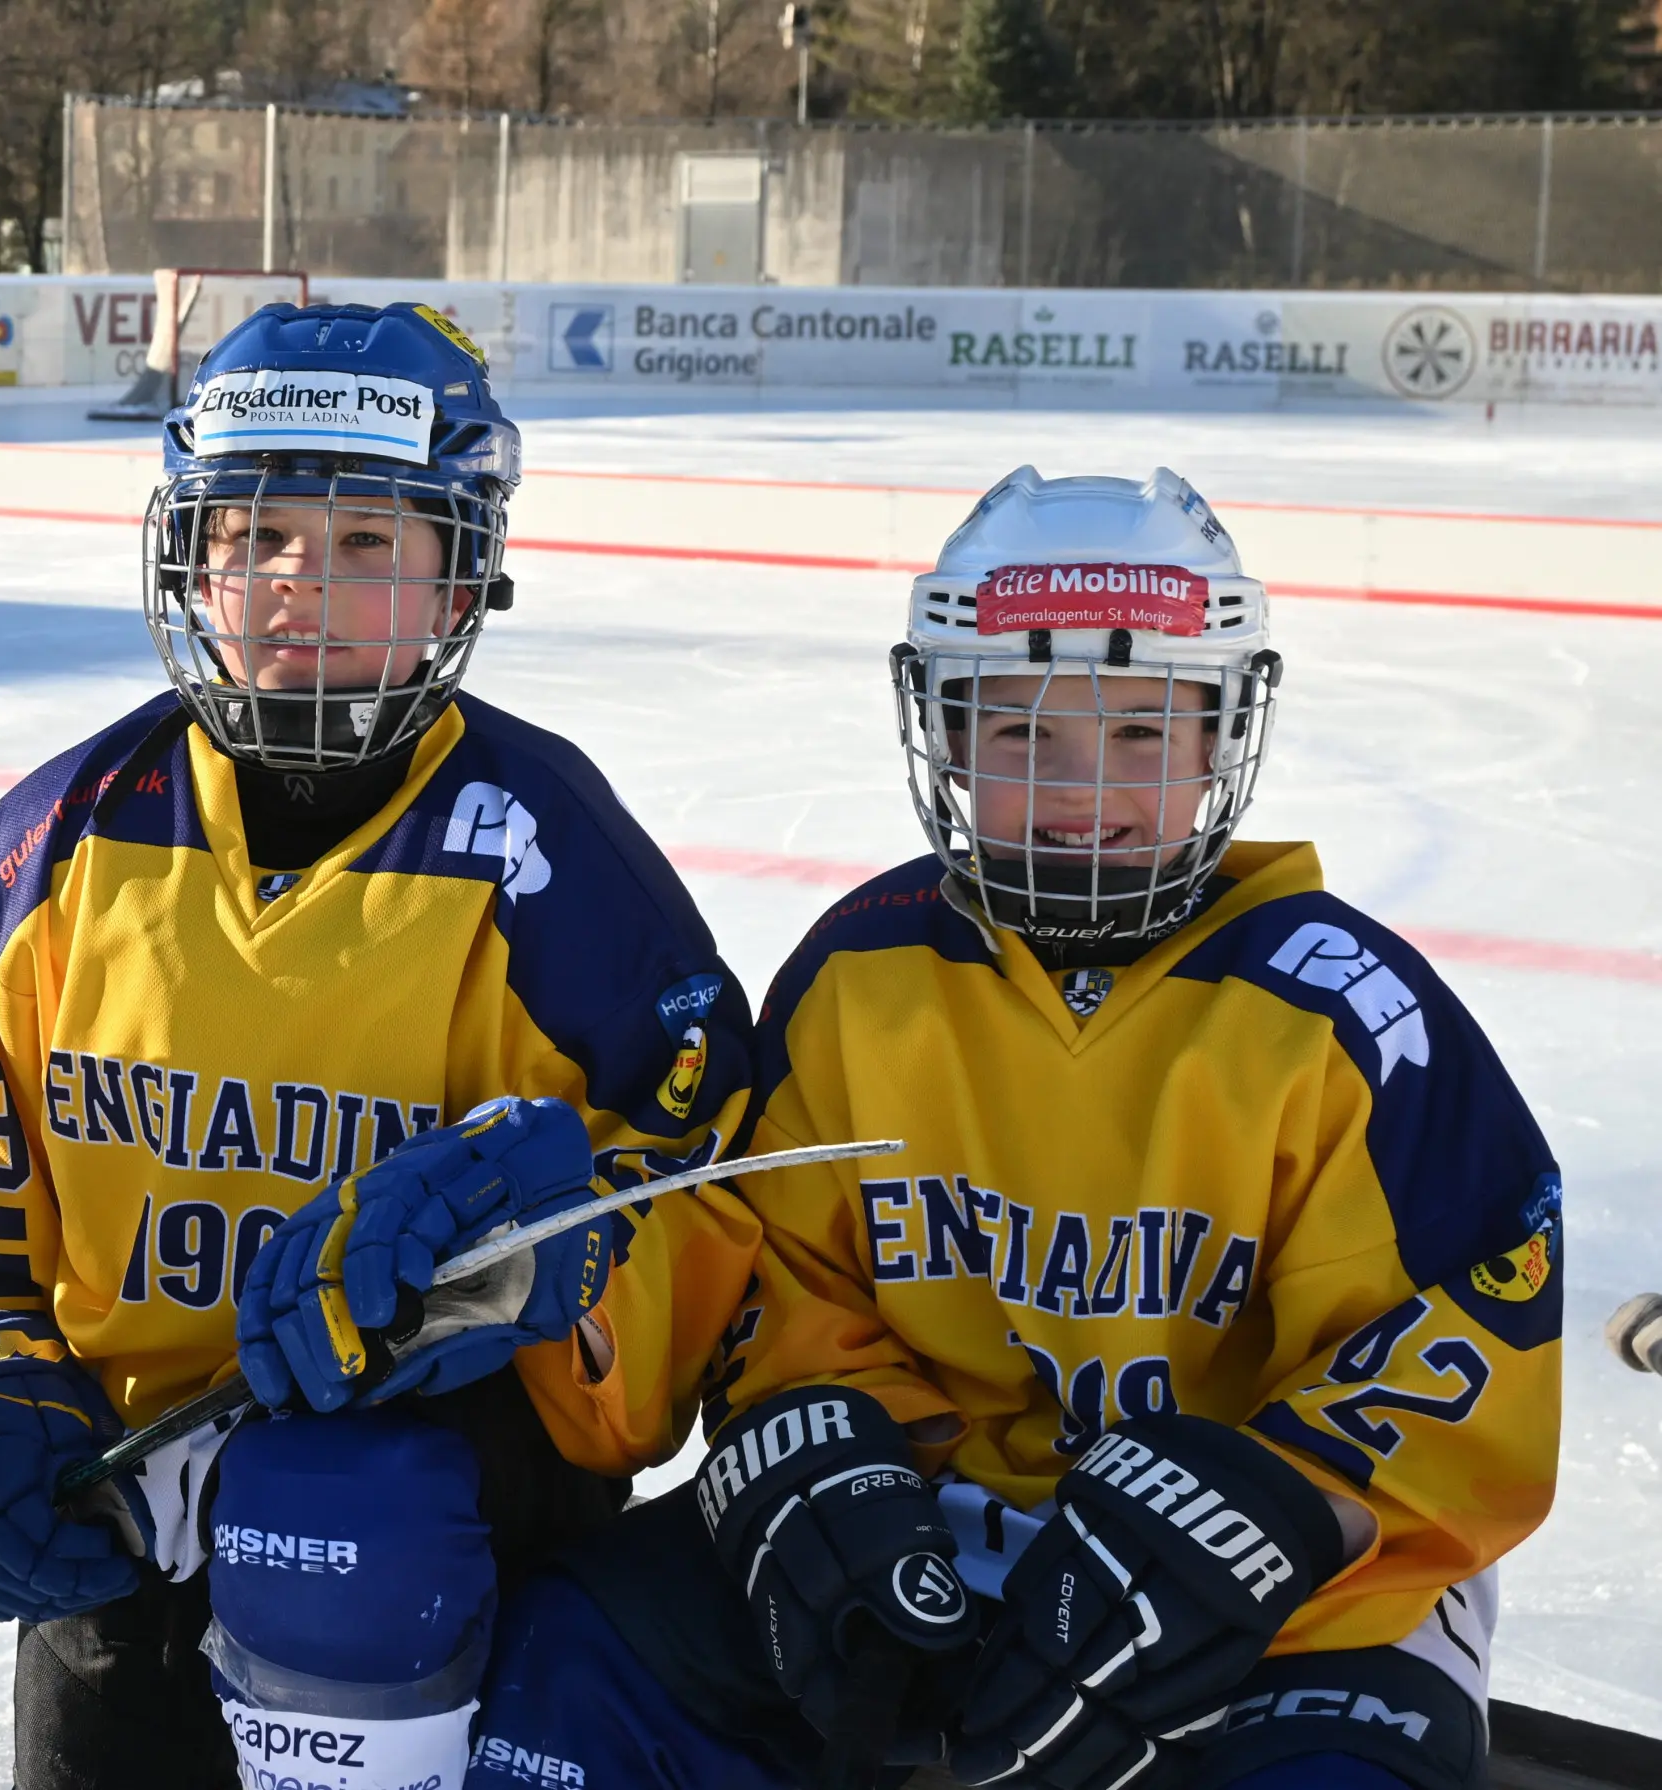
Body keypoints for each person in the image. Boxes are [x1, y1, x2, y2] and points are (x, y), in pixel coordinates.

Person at [464, 466, 1561, 1790]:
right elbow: (781, 1282)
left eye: (1143, 734)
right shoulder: (862, 978)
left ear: (1225, 734)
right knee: (576, 1656)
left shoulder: (1343, 1014)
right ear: (942, 728)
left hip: (1294, 1592)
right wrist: (834, 1451)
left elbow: (1476, 1325)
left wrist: (1279, 1502)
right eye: (1021, 733)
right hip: (949, 1529)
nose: (1078, 793)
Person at [0, 302, 766, 1790]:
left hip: (429, 1510)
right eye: (261, 536)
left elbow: (718, 1203)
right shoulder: (50, 846)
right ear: (193, 555)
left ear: (461, 567)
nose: (303, 589)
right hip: (134, 1496)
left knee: (344, 1503)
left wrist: (566, 1251)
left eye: (368, 545)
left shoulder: (562, 865)